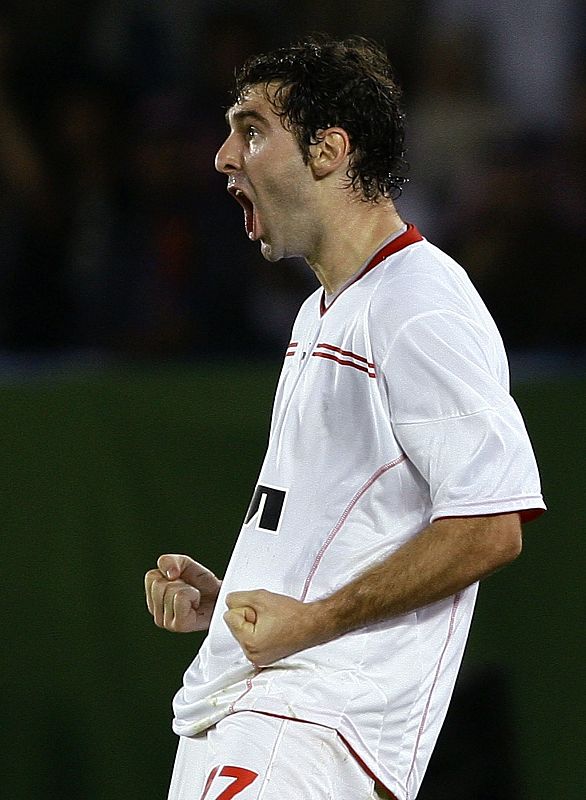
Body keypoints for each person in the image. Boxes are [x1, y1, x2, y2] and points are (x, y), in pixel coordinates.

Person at [144, 35, 545, 800]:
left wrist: (315, 621)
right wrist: (231, 598)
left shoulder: (417, 304)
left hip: (312, 727)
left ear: (329, 150)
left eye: (252, 130)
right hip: (251, 709)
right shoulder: (321, 312)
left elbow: (492, 525)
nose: (224, 157)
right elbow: (357, 520)